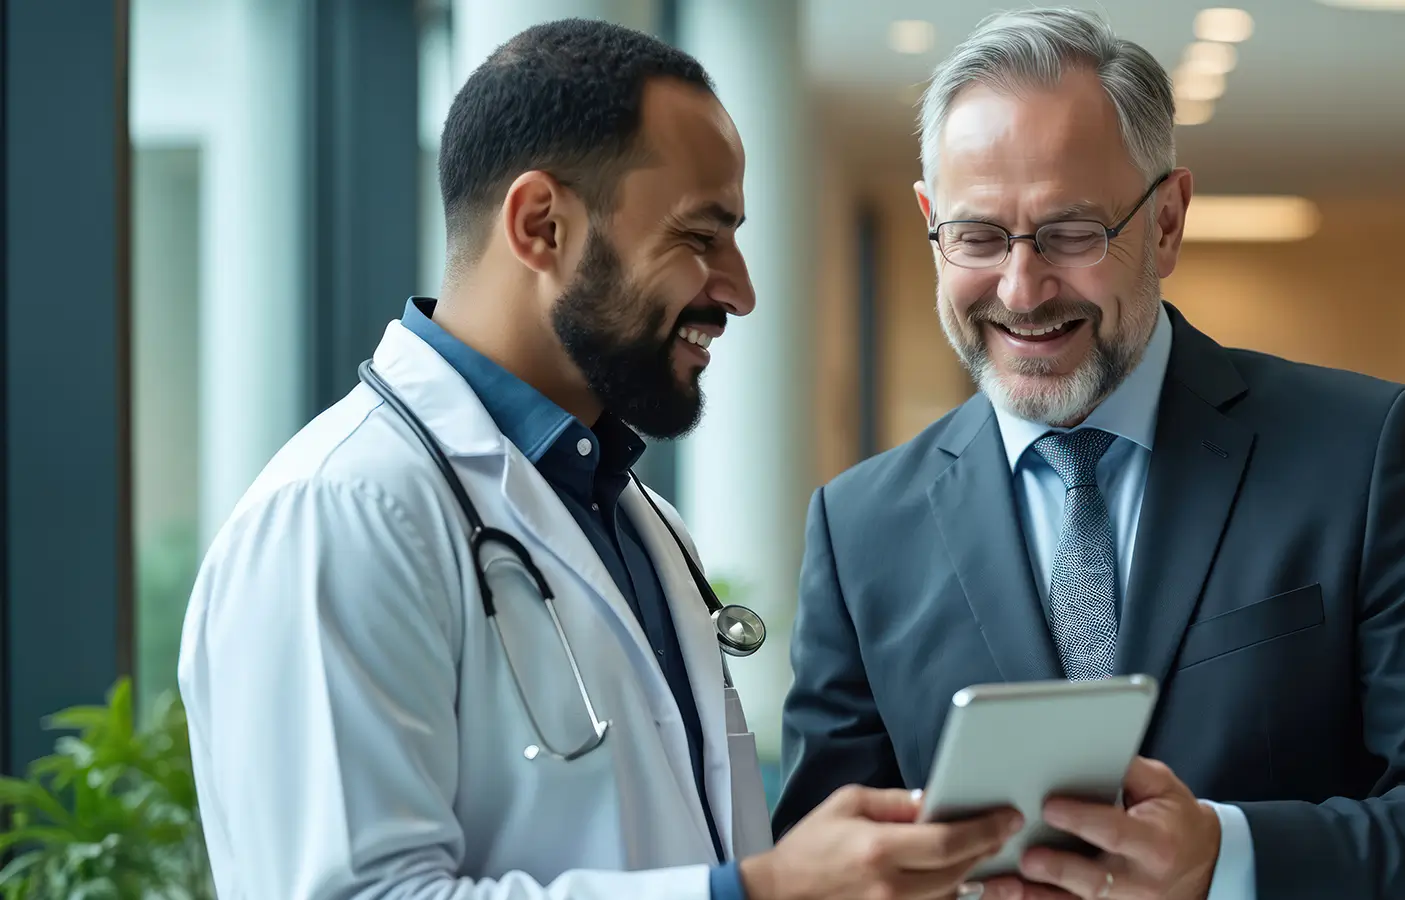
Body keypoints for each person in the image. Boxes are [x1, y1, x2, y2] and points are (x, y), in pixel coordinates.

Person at [177, 19, 1020, 900]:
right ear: (542, 225)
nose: (738, 289)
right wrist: (759, 893)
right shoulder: (340, 512)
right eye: (700, 237)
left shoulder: (638, 521)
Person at [771, 7, 1405, 899]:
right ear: (931, 222)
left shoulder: (1363, 458)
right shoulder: (860, 528)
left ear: (1168, 221)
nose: (1022, 289)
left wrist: (1229, 857)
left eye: (1071, 233)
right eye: (979, 236)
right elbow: (817, 869)